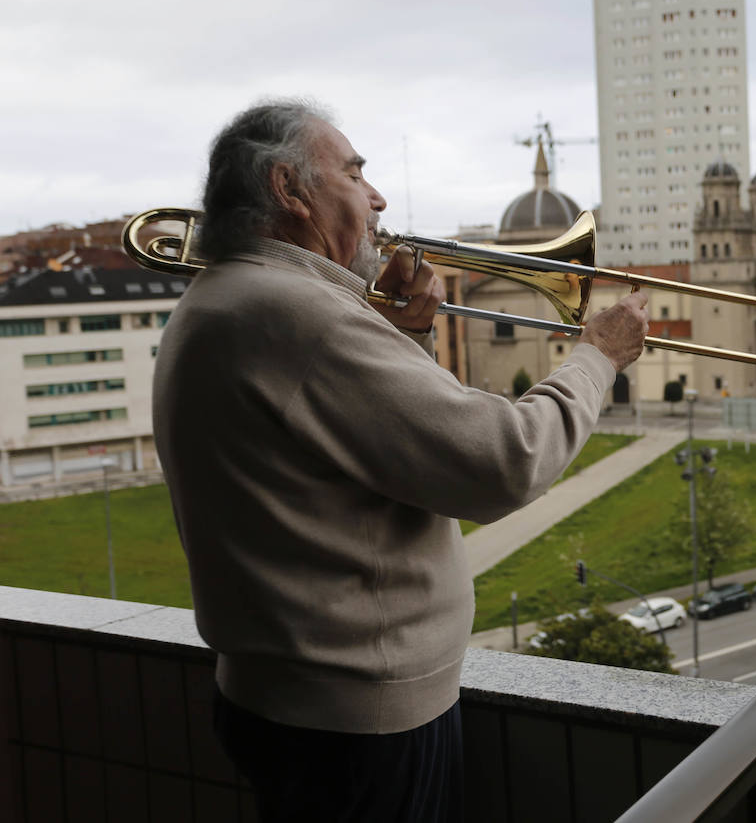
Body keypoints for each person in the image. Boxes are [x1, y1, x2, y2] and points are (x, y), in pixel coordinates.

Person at [152, 99, 649, 822]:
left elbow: (392, 454)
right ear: (290, 190)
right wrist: (598, 357)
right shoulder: (299, 315)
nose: (378, 196)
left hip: (288, 701)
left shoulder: (224, 298)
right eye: (354, 172)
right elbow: (505, 462)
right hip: (358, 720)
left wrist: (403, 338)